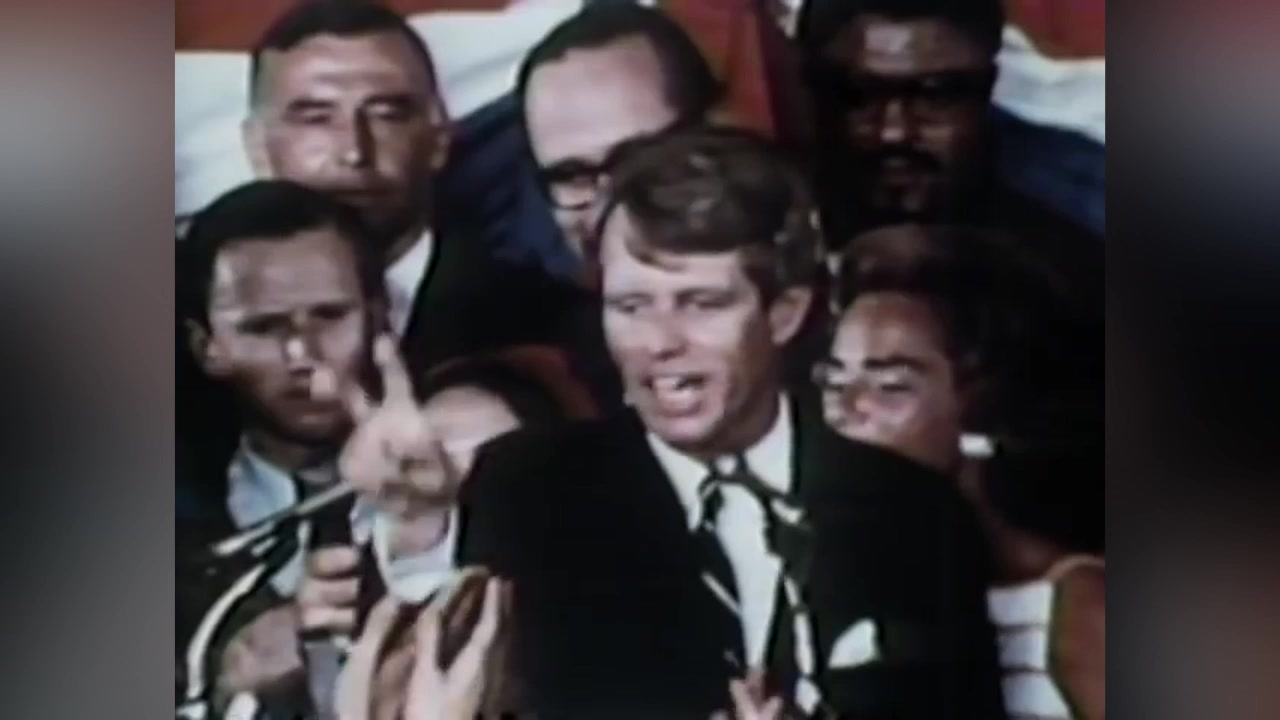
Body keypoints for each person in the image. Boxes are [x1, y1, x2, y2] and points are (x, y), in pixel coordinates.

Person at [342, 127, 1006, 717]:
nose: (659, 343)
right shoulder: (532, 487)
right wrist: (417, 528)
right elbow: (446, 686)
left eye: (701, 303)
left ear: (784, 312)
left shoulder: (914, 515)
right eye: (631, 306)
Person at [815, 224, 1104, 720]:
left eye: (890, 386)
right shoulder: (850, 586)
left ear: (983, 403)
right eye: (834, 381)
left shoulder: (1084, 606)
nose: (845, 410)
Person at [241, 0, 583, 374]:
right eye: (316, 119)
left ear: (439, 138)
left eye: (386, 115)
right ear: (258, 147)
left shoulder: (553, 324)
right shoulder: (197, 333)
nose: (355, 152)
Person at [794, 0, 1101, 318]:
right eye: (858, 96)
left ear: (988, 90)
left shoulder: (1069, 279)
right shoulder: (768, 249)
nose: (894, 133)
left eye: (934, 95)